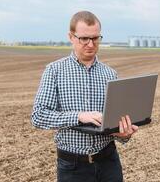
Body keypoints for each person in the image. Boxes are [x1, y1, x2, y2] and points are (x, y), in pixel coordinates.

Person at [31, 10, 138, 182]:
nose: (90, 44)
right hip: (73, 167)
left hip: (109, 162)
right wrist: (80, 116)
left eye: (95, 38)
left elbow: (112, 121)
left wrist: (123, 134)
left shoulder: (110, 74)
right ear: (71, 37)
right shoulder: (54, 71)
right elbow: (38, 116)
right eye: (84, 39)